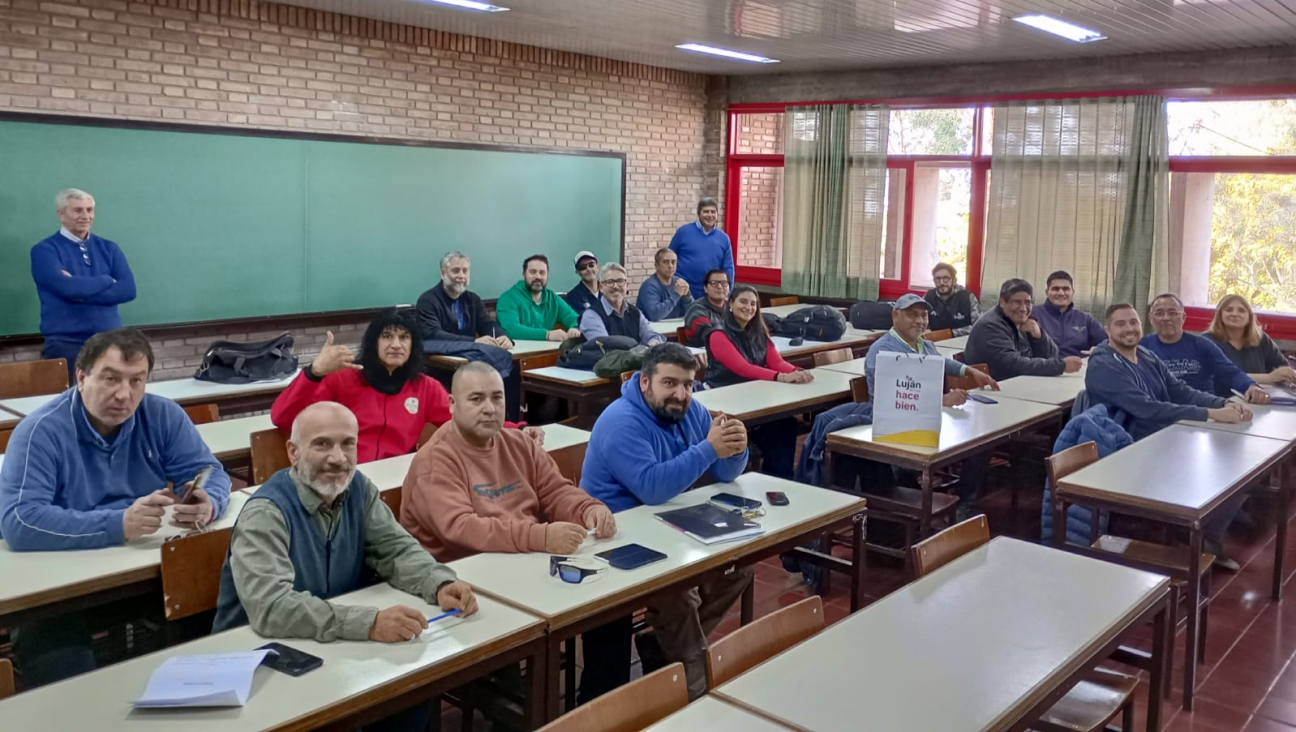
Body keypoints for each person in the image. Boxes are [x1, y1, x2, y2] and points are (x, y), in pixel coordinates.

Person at [213, 401, 479, 730]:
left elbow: (395, 549)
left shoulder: (358, 489)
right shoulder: (266, 513)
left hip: (327, 643)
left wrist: (437, 583)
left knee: (412, 691)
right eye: (322, 444)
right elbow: (272, 607)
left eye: (348, 444)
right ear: (293, 452)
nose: (338, 458)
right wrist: (368, 623)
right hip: (259, 659)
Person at [0, 328, 230, 686]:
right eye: (110, 379)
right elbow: (19, 521)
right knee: (64, 677)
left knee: (217, 626)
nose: (124, 395)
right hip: (58, 590)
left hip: (143, 576)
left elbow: (209, 471)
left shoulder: (162, 415)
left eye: (137, 381)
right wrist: (118, 524)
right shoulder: (40, 432)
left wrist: (208, 502)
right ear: (81, 377)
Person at [399, 362, 623, 702]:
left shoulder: (519, 443)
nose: (489, 408)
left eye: (496, 398)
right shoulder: (436, 461)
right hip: (466, 586)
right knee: (520, 663)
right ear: (452, 405)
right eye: (476, 399)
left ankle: (599, 712)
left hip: (526, 567)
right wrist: (541, 537)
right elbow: (460, 528)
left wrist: (587, 509)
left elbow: (556, 491)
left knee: (610, 612)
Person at [581, 343, 752, 700]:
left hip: (668, 525)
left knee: (740, 567)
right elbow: (652, 487)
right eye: (670, 383)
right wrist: (709, 448)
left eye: (688, 384)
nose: (681, 394)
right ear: (645, 383)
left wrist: (735, 448)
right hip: (616, 538)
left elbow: (722, 471)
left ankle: (661, 647)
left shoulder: (690, 410)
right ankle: (695, 688)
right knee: (678, 594)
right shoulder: (620, 421)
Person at [1086, 303, 1252, 570]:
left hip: (1162, 440)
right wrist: (1209, 413)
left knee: (1239, 465)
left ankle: (1202, 539)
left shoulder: (1147, 356)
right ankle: (1193, 538)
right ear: (1107, 330)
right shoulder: (1104, 365)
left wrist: (1222, 404)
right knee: (1218, 470)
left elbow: (1180, 391)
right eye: (1120, 324)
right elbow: (1147, 409)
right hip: (1126, 452)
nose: (1129, 329)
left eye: (1133, 322)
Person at [270, 309, 540, 463]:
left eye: (404, 337)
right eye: (386, 337)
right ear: (373, 344)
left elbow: (466, 418)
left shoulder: (424, 387)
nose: (396, 344)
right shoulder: (344, 379)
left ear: (414, 346)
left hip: (398, 476)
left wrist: (519, 429)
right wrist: (315, 372)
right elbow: (281, 417)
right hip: (345, 475)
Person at [864, 294, 998, 518]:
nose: (920, 321)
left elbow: (941, 362)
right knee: (967, 445)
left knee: (982, 443)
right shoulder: (884, 351)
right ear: (895, 316)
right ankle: (928, 505)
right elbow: (893, 397)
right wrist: (941, 400)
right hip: (894, 426)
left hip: (926, 419)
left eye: (924, 315)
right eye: (912, 315)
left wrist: (969, 371)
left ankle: (962, 502)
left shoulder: (923, 345)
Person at [31, 189, 137, 383]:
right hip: (67, 344)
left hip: (111, 341)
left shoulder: (110, 248)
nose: (86, 216)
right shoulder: (44, 250)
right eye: (78, 210)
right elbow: (67, 289)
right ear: (61, 214)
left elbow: (128, 290)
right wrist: (106, 280)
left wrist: (79, 289)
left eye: (90, 210)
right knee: (71, 403)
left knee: (113, 400)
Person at [704, 285, 807, 479]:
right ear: (731, 303)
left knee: (786, 423)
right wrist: (781, 377)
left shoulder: (759, 330)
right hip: (726, 397)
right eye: (743, 302)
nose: (749, 307)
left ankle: (780, 477)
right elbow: (743, 368)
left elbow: (776, 361)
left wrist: (798, 371)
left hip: (756, 395)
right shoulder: (718, 334)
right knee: (774, 427)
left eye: (753, 304)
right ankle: (771, 477)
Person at [416, 251, 523, 421]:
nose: (461, 276)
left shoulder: (472, 299)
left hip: (469, 364)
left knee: (513, 371)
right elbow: (433, 334)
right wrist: (474, 341)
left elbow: (487, 324)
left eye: (465, 271)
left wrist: (503, 336)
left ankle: (507, 422)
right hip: (441, 369)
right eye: (456, 271)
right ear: (443, 273)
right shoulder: (428, 300)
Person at [1141, 293, 1269, 404]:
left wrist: (1251, 386)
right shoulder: (1141, 347)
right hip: (1161, 414)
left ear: (1183, 317)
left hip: (1203, 413)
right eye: (1159, 313)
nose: (1166, 318)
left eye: (1173, 313)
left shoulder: (1201, 344)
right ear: (1151, 319)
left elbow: (1230, 372)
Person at [964, 278, 1082, 381]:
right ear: (1002, 302)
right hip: (995, 391)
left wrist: (1039, 336)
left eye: (1027, 302)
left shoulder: (1021, 320)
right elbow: (1015, 365)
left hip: (1018, 385)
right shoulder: (990, 326)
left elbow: (1053, 356)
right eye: (1017, 302)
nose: (1023, 308)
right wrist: (1061, 366)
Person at [1205, 294, 1296, 387]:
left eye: (1241, 310)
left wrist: (1288, 375)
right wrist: (1269, 378)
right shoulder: (1206, 341)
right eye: (1229, 310)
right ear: (1219, 315)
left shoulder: (1261, 339)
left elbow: (1283, 366)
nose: (1235, 314)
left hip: (1261, 397)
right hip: (1220, 399)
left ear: (1249, 317)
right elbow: (1221, 376)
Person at [495, 254, 582, 342]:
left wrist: (574, 328)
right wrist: (547, 334)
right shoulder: (508, 298)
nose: (538, 276)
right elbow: (511, 330)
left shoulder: (552, 298)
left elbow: (574, 318)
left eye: (542, 273)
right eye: (533, 272)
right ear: (523, 274)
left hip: (547, 352)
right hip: (518, 353)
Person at [578, 263, 668, 347]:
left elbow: (653, 336)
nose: (616, 286)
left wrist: (651, 345)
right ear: (601, 287)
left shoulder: (635, 312)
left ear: (627, 286)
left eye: (620, 281)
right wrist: (641, 351)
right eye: (610, 282)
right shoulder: (591, 316)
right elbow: (606, 349)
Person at [1030, 270, 1107, 358]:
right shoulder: (1032, 314)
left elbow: (1108, 343)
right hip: (1042, 368)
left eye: (1066, 289)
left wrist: (1098, 349)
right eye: (1055, 289)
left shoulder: (1085, 319)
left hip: (1079, 368)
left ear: (1072, 292)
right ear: (1047, 292)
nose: (1061, 293)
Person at [669, 197, 734, 298]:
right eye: (706, 212)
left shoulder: (724, 239)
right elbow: (669, 257)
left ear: (717, 214)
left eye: (713, 212)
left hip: (710, 292)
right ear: (699, 214)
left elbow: (728, 267)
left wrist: (728, 291)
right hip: (682, 290)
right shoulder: (683, 232)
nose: (710, 215)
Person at [922, 262, 979, 337]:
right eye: (938, 279)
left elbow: (977, 327)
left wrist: (949, 334)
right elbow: (917, 320)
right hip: (933, 342)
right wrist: (925, 330)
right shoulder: (928, 297)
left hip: (960, 343)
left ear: (954, 280)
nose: (941, 283)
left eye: (946, 278)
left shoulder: (968, 298)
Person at [637, 247, 693, 321]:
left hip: (674, 328)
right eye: (666, 262)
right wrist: (676, 295)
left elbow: (694, 313)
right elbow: (655, 315)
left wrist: (687, 296)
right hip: (652, 330)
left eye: (673, 262)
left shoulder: (679, 283)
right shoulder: (649, 286)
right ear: (656, 265)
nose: (670, 266)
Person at [681, 268, 729, 347]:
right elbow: (709, 336)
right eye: (714, 283)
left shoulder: (732, 307)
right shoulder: (697, 309)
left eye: (724, 283)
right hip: (701, 355)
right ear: (705, 288)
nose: (720, 287)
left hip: (728, 350)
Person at [564, 250, 602, 315]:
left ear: (597, 267)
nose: (588, 269)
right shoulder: (573, 297)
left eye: (591, 265)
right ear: (577, 272)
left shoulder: (608, 291)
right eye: (582, 267)